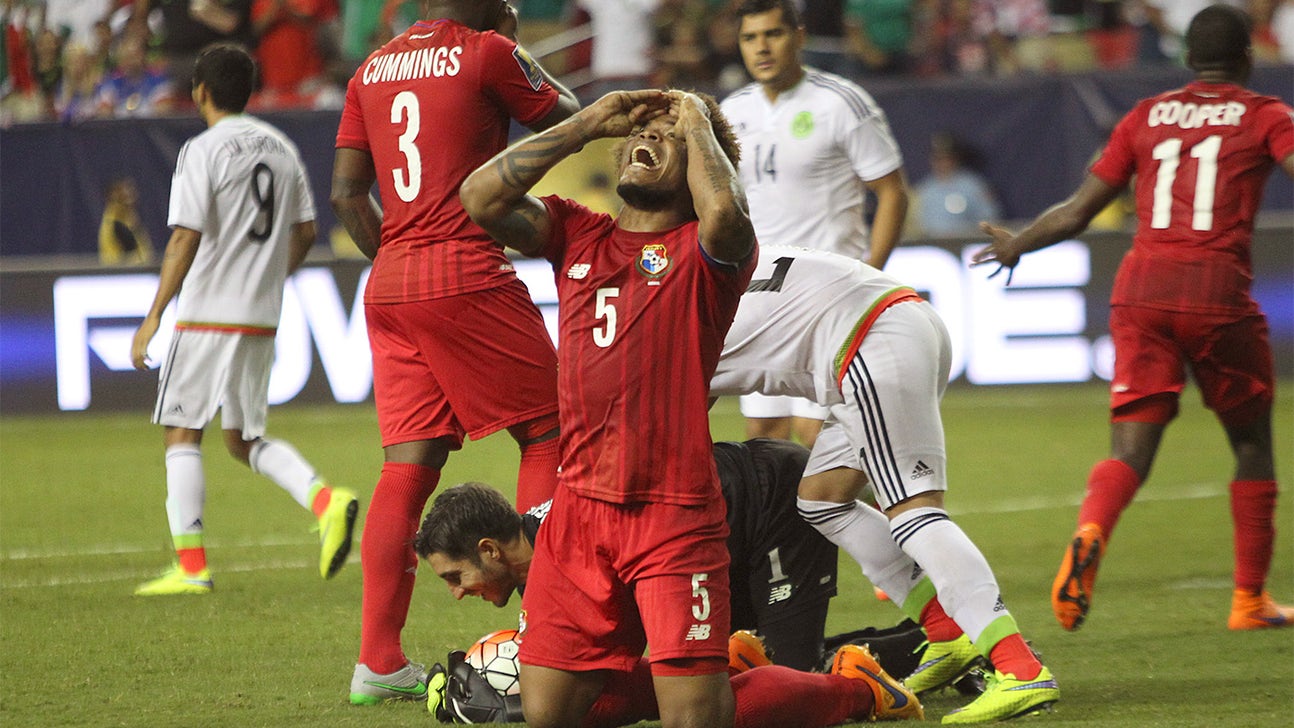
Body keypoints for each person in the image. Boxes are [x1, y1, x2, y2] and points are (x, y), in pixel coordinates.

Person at [971, 3, 1294, 633]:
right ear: (1249, 58)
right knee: (1252, 441)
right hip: (1215, 289)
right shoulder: (1266, 115)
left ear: (1186, 59)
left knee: (1131, 447)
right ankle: (1250, 600)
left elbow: (1076, 210)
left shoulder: (1146, 116)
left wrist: (1015, 244)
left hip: (1141, 289)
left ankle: (1091, 529)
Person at [459, 89, 756, 728]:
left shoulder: (708, 257)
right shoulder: (576, 232)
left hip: (673, 517)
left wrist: (697, 120)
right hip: (579, 516)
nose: (645, 140)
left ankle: (844, 690)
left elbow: (727, 213)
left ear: (700, 165)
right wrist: (586, 123)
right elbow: (480, 199)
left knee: (693, 720)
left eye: (666, 138)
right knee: (547, 715)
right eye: (639, 134)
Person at [329, 0, 579, 706]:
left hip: (390, 279)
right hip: (463, 268)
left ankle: (377, 662)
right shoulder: (485, 50)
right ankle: (547, 633)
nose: (510, 4)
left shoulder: (371, 66)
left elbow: (348, 193)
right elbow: (567, 114)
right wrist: (516, 47)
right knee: (549, 430)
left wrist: (405, 260)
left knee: (407, 468)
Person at [710, 244, 1060, 724]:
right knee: (821, 500)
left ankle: (1019, 667)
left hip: (869, 342)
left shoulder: (677, 323)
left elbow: (675, 432)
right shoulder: (727, 260)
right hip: (897, 319)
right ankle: (946, 634)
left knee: (914, 510)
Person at [412, 459, 924, 726]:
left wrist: (511, 697)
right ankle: (738, 660)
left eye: (455, 577)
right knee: (707, 690)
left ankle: (880, 676)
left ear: (491, 550)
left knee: (763, 691)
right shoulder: (546, 551)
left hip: (765, 505)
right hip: (711, 531)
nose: (457, 593)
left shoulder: (563, 552)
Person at [128, 43, 359, 597]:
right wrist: (268, 281)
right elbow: (304, 232)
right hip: (260, 315)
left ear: (200, 91)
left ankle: (190, 567)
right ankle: (327, 502)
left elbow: (185, 235)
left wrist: (154, 314)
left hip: (207, 312)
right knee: (241, 436)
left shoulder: (201, 149)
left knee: (183, 430)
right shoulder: (281, 147)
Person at [721, 0, 909, 448]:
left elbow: (892, 192)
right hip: (759, 297)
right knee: (763, 438)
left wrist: (870, 276)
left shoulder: (841, 102)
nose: (761, 48)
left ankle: (887, 511)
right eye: (750, 38)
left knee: (815, 440)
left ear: (799, 37)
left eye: (773, 34)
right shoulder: (729, 112)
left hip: (827, 298)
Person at [912, 131, 1001, 237]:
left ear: (956, 158)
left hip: (965, 244)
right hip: (930, 246)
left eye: (947, 157)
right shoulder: (924, 189)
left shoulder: (972, 185)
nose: (943, 162)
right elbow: (915, 225)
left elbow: (990, 219)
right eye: (938, 158)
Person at [99, 176, 153, 265]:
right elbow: (134, 258)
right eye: (124, 190)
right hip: (125, 274)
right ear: (114, 195)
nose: (131, 193)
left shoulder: (127, 219)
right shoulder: (117, 224)